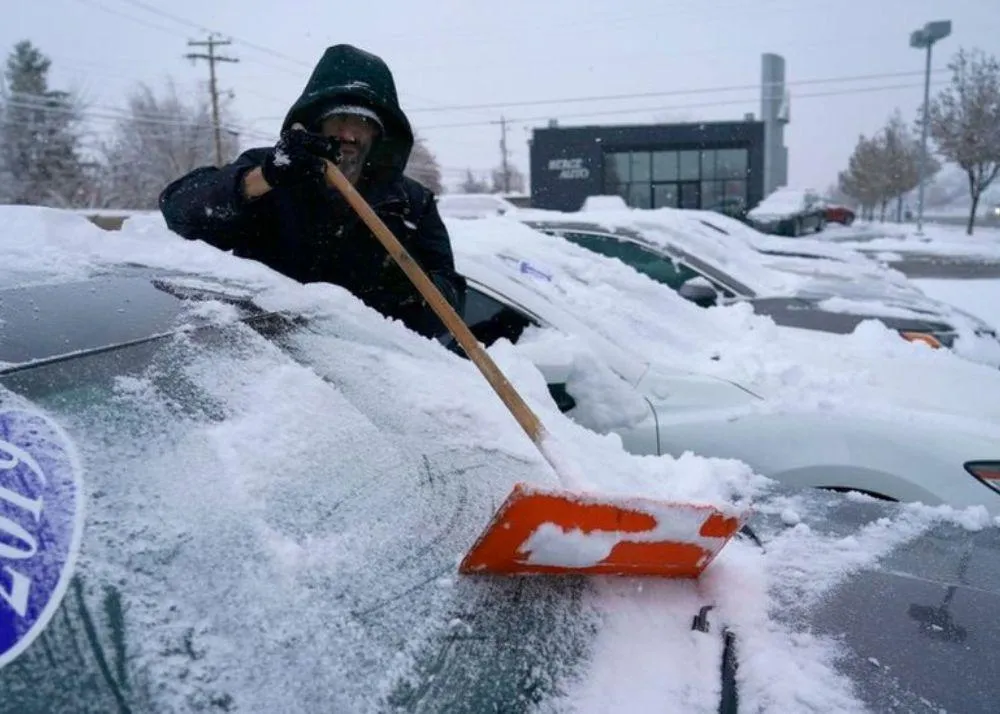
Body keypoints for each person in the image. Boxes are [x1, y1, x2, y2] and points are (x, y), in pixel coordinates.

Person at [159, 44, 466, 340]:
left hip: (369, 366)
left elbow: (451, 310)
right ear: (317, 123)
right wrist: (264, 178)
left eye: (361, 122)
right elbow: (178, 211)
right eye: (339, 118)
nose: (348, 133)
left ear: (377, 132)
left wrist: (409, 288)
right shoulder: (271, 173)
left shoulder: (411, 204)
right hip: (266, 363)